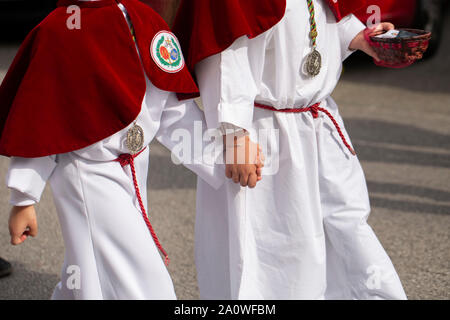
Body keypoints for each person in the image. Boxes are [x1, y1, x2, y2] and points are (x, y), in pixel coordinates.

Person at [1, 0, 261, 299]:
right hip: (87, 171)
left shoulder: (143, 19)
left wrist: (220, 157)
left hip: (135, 161)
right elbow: (41, 118)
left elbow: (170, 109)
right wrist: (24, 196)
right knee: (141, 272)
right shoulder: (57, 32)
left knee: (89, 264)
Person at [173, 0, 407, 299]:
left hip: (318, 122)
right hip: (263, 133)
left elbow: (323, 15)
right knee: (279, 240)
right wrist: (234, 134)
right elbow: (226, 55)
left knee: (347, 221)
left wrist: (359, 36)